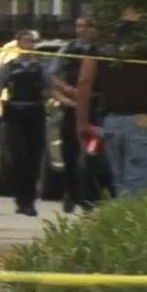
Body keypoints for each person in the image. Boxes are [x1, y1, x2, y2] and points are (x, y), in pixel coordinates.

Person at [76, 0, 147, 199]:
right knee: (138, 195)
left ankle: (119, 231)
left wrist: (82, 122)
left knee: (121, 189)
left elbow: (84, 81)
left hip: (110, 123)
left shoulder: (102, 37)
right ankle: (129, 234)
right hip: (144, 122)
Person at [0, 30, 51, 216]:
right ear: (19, 43)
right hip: (14, 113)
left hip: (35, 112)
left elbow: (48, 90)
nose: (29, 44)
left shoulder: (40, 67)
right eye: (26, 41)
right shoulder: (10, 67)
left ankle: (29, 200)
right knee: (18, 156)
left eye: (32, 41)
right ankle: (21, 198)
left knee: (34, 157)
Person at [50, 16, 110, 212]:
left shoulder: (101, 50)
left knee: (92, 153)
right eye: (78, 26)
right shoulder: (68, 50)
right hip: (72, 107)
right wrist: (68, 90)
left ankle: (88, 196)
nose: (81, 30)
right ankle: (70, 192)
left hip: (95, 108)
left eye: (85, 26)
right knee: (70, 153)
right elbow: (52, 77)